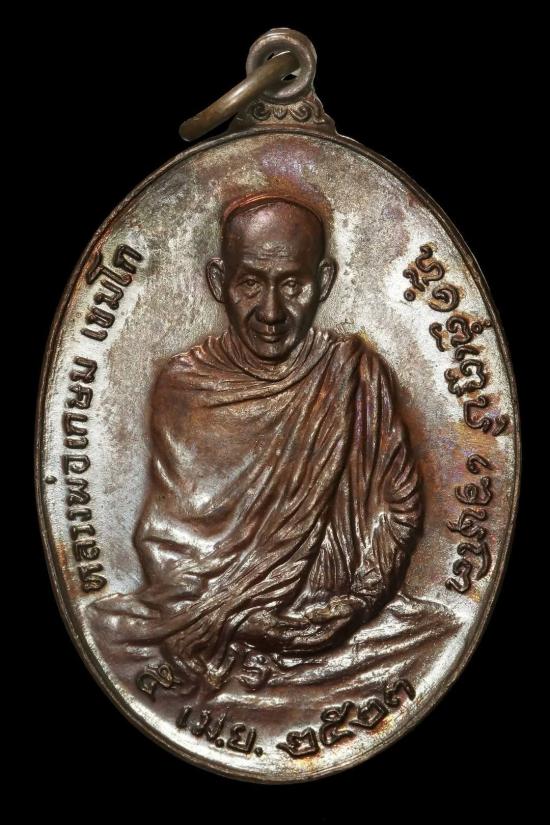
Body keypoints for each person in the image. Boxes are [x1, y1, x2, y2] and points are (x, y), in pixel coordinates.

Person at [88, 193, 423, 691]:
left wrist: (359, 602)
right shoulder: (185, 387)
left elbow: (398, 507)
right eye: (250, 283)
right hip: (217, 619)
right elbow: (168, 543)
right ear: (217, 281)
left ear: (324, 281)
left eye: (292, 284)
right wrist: (243, 620)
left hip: (342, 615)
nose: (271, 312)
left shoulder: (355, 375)